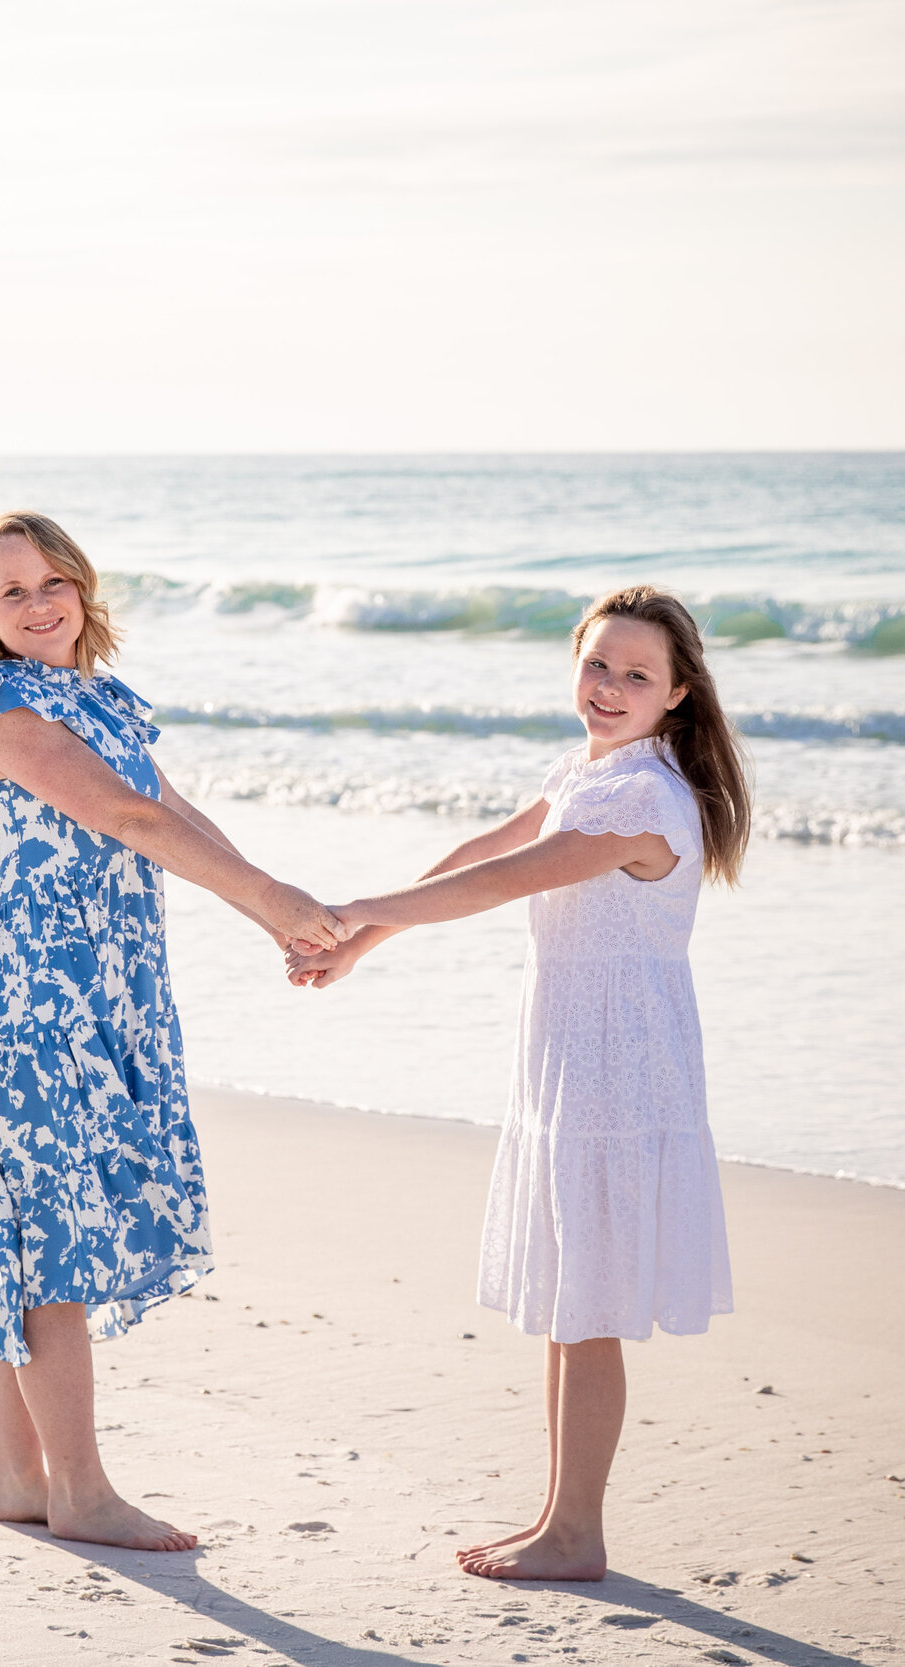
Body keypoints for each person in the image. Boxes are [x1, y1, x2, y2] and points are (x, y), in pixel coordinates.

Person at [286, 584, 751, 1581]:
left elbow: (513, 880)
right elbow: (484, 850)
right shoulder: (592, 769)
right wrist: (362, 941)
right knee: (567, 1297)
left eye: (636, 673)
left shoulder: (643, 796)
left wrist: (357, 905)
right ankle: (558, 1517)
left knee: (588, 1304)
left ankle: (575, 1531)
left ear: (677, 693)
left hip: (617, 1066)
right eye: (597, 664)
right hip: (574, 1051)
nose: (610, 686)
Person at [0, 510, 342, 1553]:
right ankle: (81, 1489)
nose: (36, 604)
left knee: (45, 1225)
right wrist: (269, 900)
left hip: (111, 993)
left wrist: (280, 914)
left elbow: (180, 816)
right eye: (10, 591)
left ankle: (19, 1473)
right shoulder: (6, 709)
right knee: (54, 1240)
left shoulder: (104, 702)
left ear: (82, 587)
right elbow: (129, 821)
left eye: (51, 581)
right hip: (36, 999)